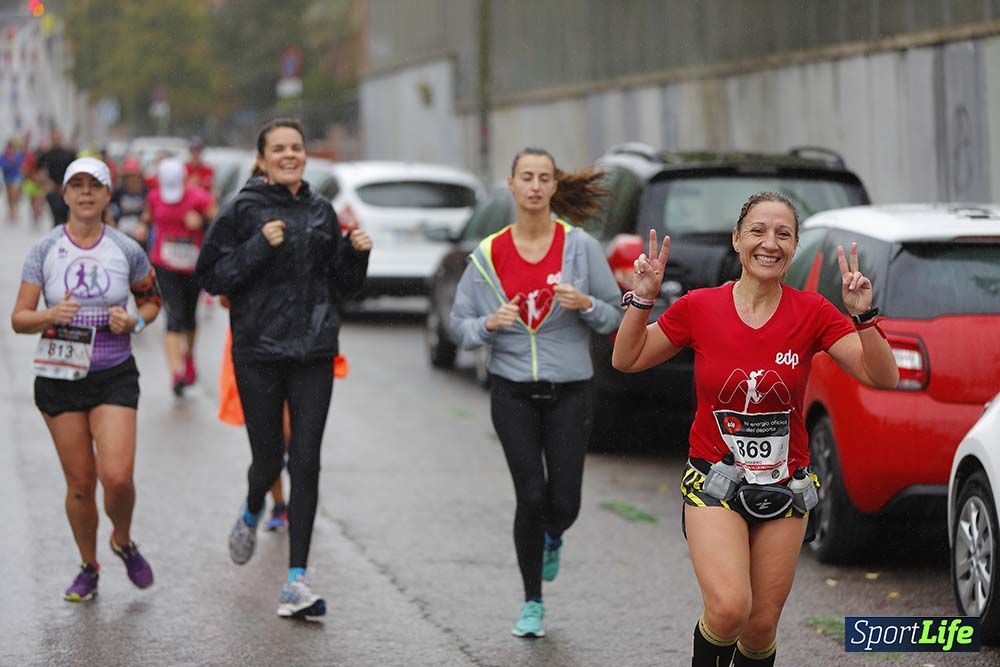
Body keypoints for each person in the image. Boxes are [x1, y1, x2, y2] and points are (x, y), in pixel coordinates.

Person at [611, 192, 899, 666]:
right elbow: (627, 358)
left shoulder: (814, 313)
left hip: (785, 487)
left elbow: (882, 376)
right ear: (738, 239)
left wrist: (863, 315)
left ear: (795, 246)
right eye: (759, 231)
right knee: (728, 609)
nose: (770, 243)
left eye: (783, 234)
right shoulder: (700, 307)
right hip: (714, 482)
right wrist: (643, 298)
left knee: (760, 625)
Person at [196, 118, 371, 619]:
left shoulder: (321, 210)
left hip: (314, 350)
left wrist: (358, 256)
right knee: (269, 461)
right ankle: (253, 508)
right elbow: (210, 276)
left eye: (297, 146)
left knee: (307, 460)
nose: (290, 154)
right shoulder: (243, 210)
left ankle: (297, 579)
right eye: (280, 148)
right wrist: (257, 245)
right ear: (262, 158)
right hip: (258, 352)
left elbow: (344, 285)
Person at [449, 148, 623, 639]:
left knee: (563, 502)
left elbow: (615, 315)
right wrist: (488, 323)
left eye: (543, 178)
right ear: (511, 184)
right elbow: (458, 326)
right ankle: (532, 604)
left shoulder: (580, 247)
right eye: (526, 177)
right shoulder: (489, 254)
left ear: (553, 186)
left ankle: (554, 535)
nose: (534, 186)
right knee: (529, 495)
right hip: (512, 392)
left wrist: (587, 303)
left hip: (570, 390)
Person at [10, 157, 162, 602]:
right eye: (76, 186)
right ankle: (88, 566)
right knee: (80, 483)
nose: (85, 193)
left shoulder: (126, 249)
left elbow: (152, 301)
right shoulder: (44, 250)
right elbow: (19, 319)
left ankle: (123, 537)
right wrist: (50, 315)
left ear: (107, 194)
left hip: (114, 373)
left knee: (116, 477)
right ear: (65, 194)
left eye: (94, 186)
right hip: (60, 375)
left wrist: (133, 323)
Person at [146, 157, 216, 395]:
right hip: (165, 265)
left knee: (189, 317)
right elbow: (148, 216)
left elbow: (218, 223)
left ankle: (189, 356)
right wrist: (142, 227)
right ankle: (176, 373)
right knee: (173, 317)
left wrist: (202, 221)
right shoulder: (155, 196)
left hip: (192, 265)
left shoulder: (198, 197)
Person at [36, 129, 77, 226]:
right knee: (55, 212)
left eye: (57, 138)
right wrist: (46, 181)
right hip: (52, 188)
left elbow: (75, 169)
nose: (56, 140)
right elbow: (38, 169)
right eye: (54, 138)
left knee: (66, 213)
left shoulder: (68, 154)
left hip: (65, 187)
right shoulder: (47, 155)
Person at [109, 157, 150, 248]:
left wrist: (144, 224)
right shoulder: (119, 192)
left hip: (140, 228)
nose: (132, 180)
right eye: (129, 176)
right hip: (121, 228)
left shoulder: (146, 192)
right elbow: (109, 209)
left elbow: (150, 211)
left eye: (134, 176)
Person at [1, 139, 26, 220]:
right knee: (9, 195)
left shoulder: (17, 156)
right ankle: (11, 208)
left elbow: (21, 164)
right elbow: (3, 166)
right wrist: (11, 164)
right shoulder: (3, 156)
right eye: (9, 148)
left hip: (16, 177)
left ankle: (13, 211)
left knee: (13, 192)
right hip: (7, 178)